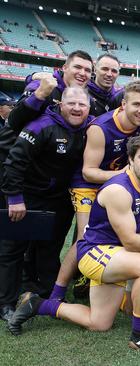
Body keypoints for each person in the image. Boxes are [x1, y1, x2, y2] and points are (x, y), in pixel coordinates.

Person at [8, 135, 140, 353]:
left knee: (99, 323)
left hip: (118, 254)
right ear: (130, 159)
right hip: (95, 253)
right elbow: (130, 240)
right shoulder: (118, 190)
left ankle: (37, 304)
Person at [51, 80, 140, 302]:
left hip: (119, 184)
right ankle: (57, 292)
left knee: (119, 233)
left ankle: (94, 278)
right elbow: (89, 172)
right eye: (137, 104)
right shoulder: (101, 127)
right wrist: (126, 174)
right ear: (123, 104)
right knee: (84, 236)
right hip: (89, 185)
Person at [0, 87, 92, 322]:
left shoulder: (91, 128)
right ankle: (6, 303)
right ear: (61, 104)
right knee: (12, 250)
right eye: (71, 103)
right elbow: (14, 161)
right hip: (27, 198)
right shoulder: (41, 126)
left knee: (50, 249)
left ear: (89, 108)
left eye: (82, 105)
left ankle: (48, 297)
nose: (76, 108)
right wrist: (15, 198)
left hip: (60, 200)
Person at [6, 50, 94, 135]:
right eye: (77, 67)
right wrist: (38, 95)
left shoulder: (86, 97)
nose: (83, 73)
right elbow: (14, 121)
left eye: (87, 70)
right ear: (65, 68)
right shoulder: (40, 85)